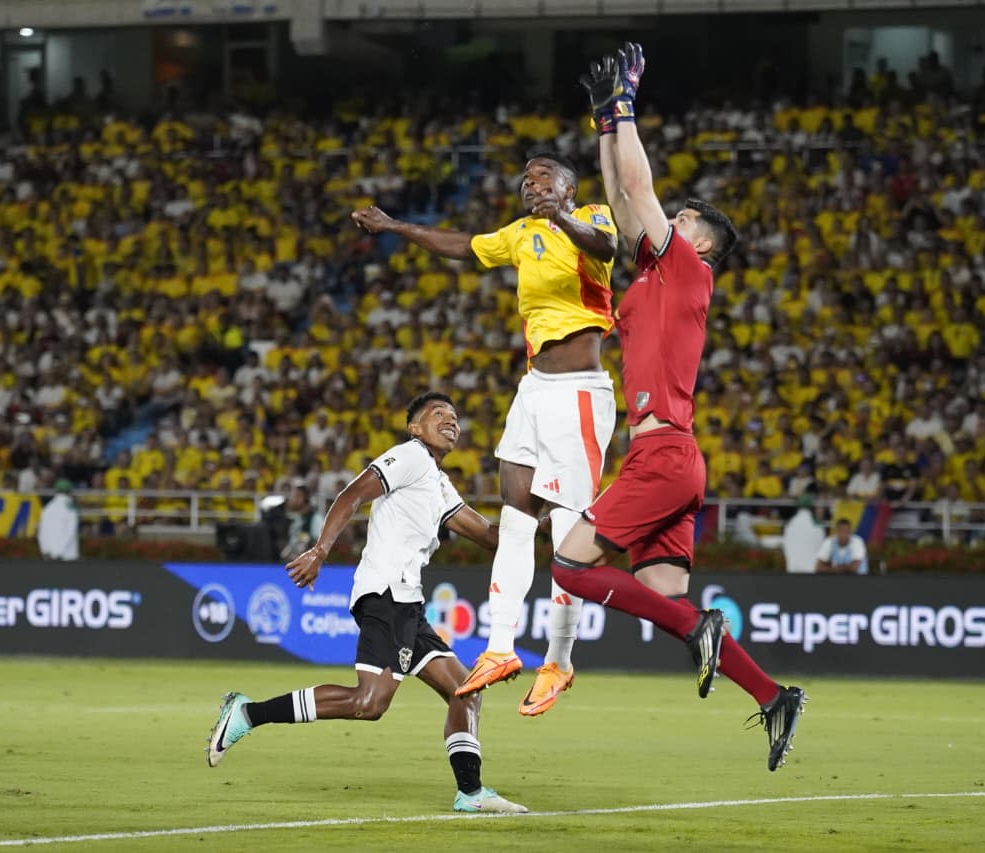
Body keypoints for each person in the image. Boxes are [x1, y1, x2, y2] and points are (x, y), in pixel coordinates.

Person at [549, 44, 806, 773]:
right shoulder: (657, 274)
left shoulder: (688, 264)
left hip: (662, 455)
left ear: (700, 242)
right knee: (668, 601)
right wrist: (604, 125)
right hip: (669, 457)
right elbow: (626, 201)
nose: (670, 217)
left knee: (569, 566)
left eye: (683, 216)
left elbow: (638, 186)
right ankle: (774, 692)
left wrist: (625, 108)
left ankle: (704, 625)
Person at [353, 151, 620, 715]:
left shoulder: (595, 215)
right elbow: (464, 246)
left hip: (579, 389)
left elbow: (607, 249)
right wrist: (396, 226)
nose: (530, 185)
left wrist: (560, 218)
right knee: (517, 517)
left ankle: (560, 659)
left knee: (569, 528)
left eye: (542, 178)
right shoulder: (519, 234)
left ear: (568, 187)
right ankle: (500, 647)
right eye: (526, 180)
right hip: (534, 389)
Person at [206, 393, 527, 813]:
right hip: (385, 595)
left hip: (407, 603)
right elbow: (352, 495)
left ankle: (471, 794)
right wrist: (319, 552)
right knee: (369, 703)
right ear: (414, 428)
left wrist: (543, 520)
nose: (451, 421)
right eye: (438, 415)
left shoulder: (437, 481)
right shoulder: (410, 457)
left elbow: (488, 536)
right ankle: (247, 714)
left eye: (455, 417)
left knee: (465, 691)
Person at [37, 479, 80, 561]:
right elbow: (71, 531)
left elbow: (41, 532)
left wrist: (45, 550)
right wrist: (59, 551)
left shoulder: (47, 508)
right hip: (67, 556)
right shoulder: (70, 508)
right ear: (69, 492)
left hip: (49, 555)